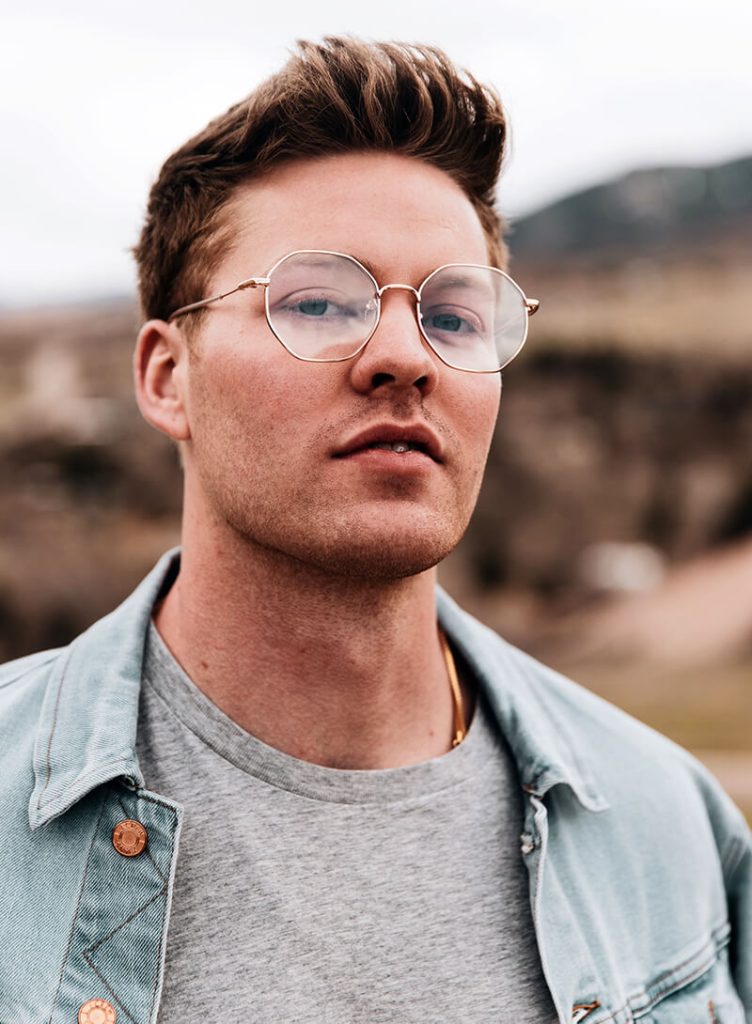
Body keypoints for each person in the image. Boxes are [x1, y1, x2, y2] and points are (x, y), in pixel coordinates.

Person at [0, 36, 749, 1024]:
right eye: (316, 302)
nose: (405, 355)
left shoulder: (667, 826)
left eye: (455, 316)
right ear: (166, 377)